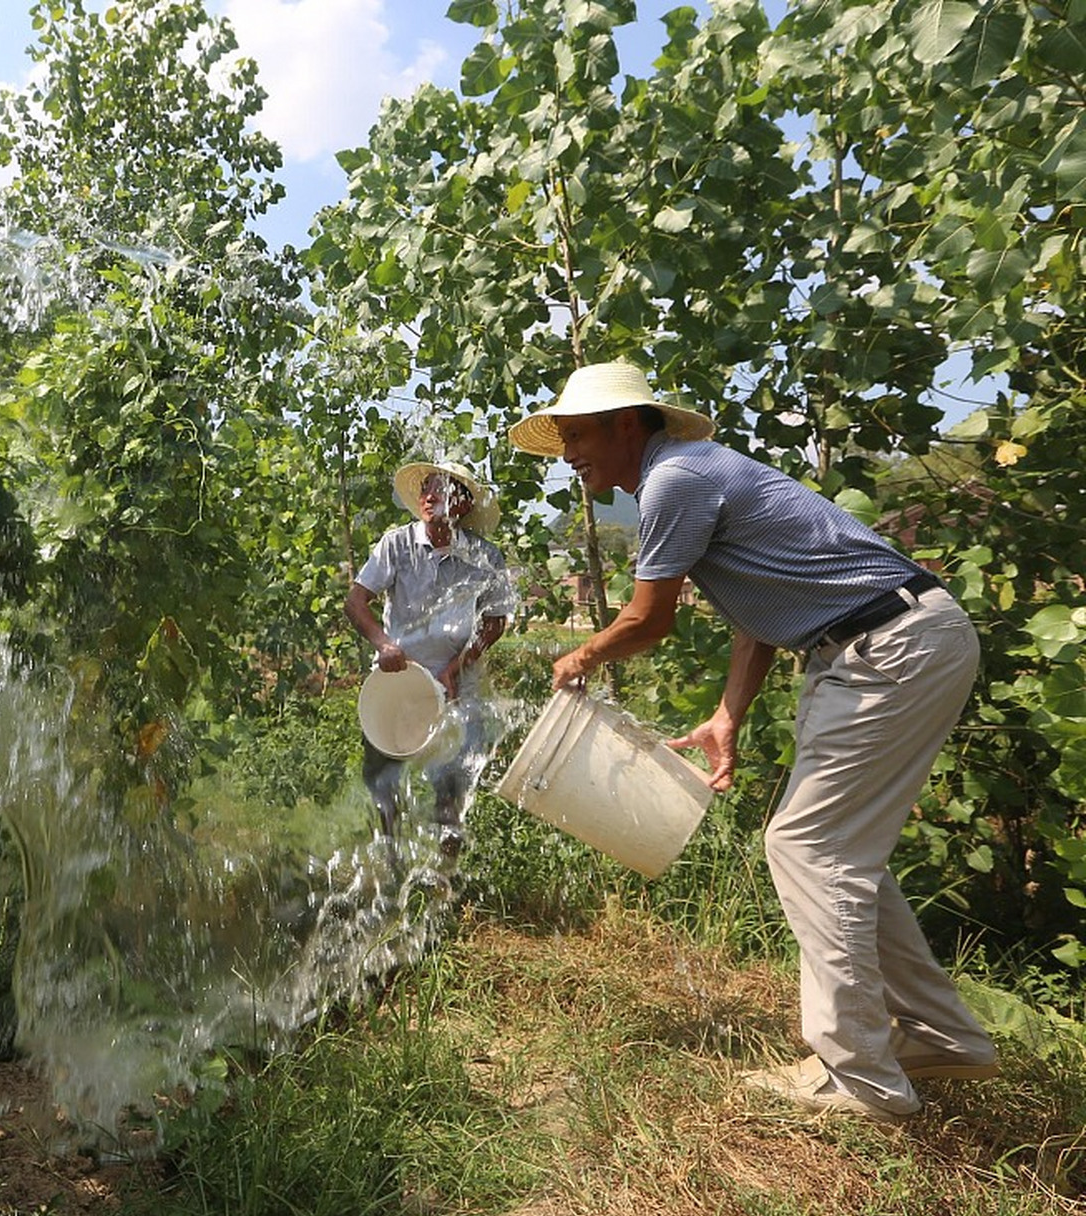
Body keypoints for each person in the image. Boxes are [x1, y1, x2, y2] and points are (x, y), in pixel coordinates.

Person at [506, 359, 998, 1120]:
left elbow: (649, 620)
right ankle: (942, 1035)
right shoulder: (690, 473)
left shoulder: (674, 481)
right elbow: (754, 615)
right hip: (892, 641)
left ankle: (860, 1078)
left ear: (627, 424)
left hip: (888, 646)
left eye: (576, 436)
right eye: (562, 441)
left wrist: (582, 654)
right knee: (841, 852)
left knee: (807, 848)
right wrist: (728, 715)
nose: (569, 455)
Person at [346, 458, 516, 852]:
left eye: (439, 488)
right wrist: (384, 645)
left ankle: (444, 872)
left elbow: (494, 622)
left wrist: (457, 669)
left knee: (450, 783)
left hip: (456, 680)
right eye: (425, 488)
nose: (428, 496)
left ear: (461, 503)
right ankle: (390, 856)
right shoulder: (397, 545)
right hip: (398, 678)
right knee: (383, 778)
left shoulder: (485, 557)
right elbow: (356, 602)